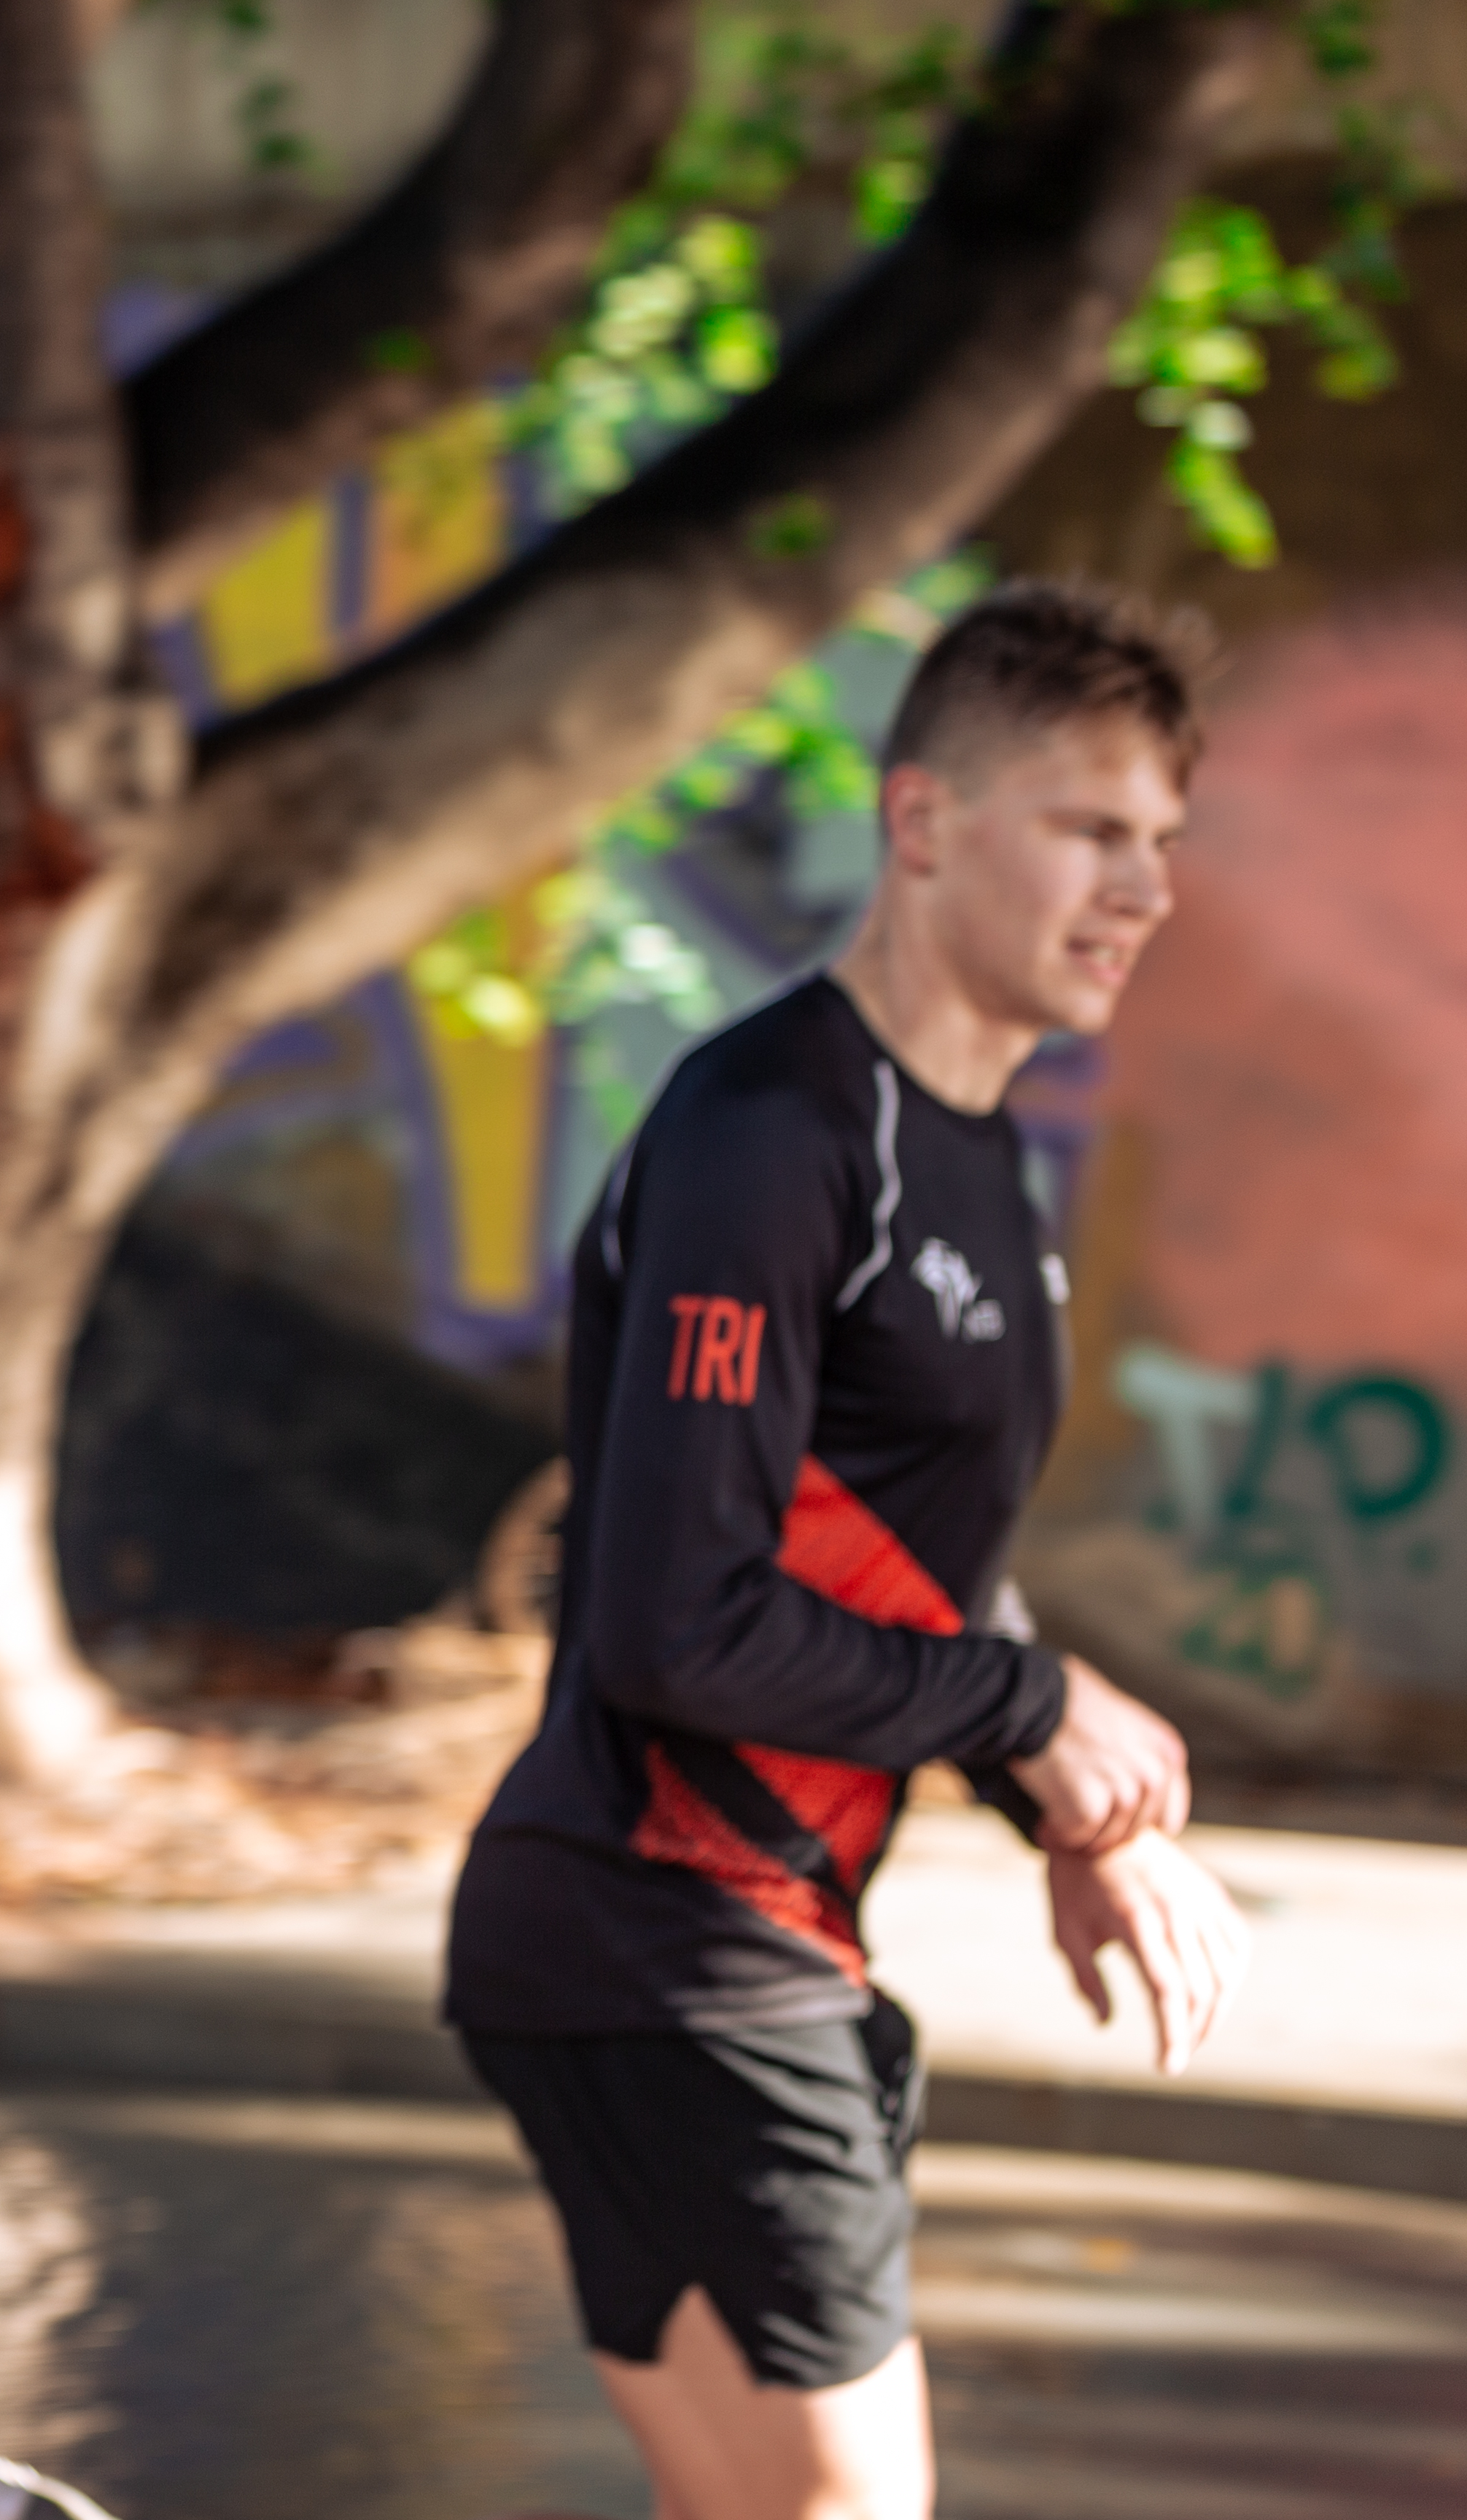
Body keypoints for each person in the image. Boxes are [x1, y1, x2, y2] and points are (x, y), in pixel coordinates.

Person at [444, 581, 1254, 2520]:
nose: (1140, 887)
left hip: (730, 1939)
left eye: (1161, 841)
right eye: (1087, 828)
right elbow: (670, 1622)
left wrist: (1044, 1784)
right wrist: (1035, 1705)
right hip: (666, 1928)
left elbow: (902, 1557)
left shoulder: (973, 1153)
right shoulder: (774, 1136)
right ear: (924, 822)